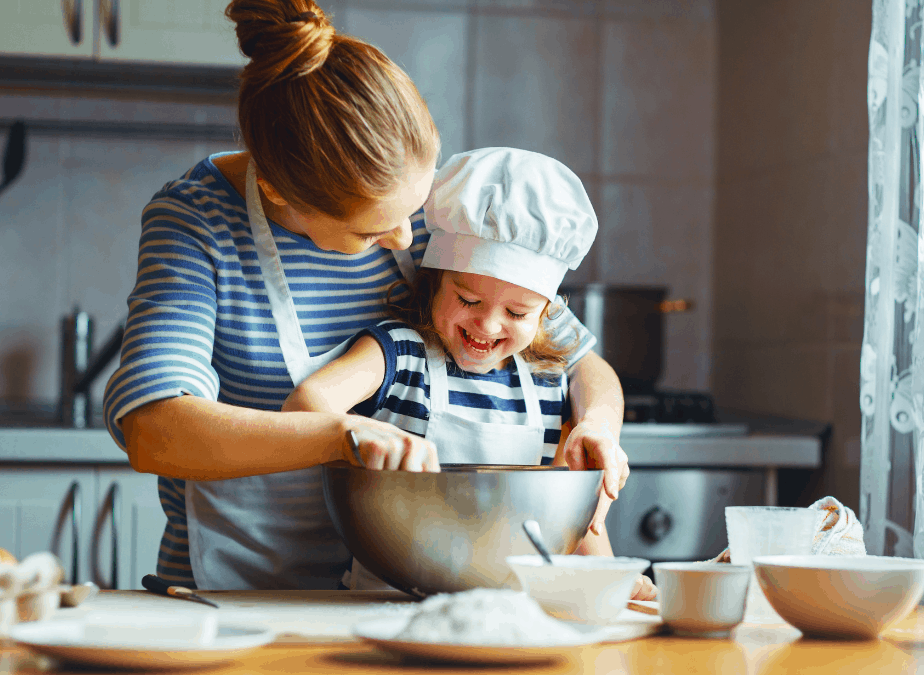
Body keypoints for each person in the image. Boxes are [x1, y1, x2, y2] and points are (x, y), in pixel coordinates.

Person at [101, 0, 629, 592]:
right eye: (370, 230)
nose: (406, 237)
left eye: (414, 209)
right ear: (279, 191)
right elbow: (154, 428)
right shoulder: (199, 223)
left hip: (399, 597)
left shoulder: (434, 212)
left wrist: (599, 426)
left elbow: (580, 362)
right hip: (242, 596)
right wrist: (339, 435)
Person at [283, 148, 656, 600]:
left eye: (517, 311)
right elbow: (306, 404)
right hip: (387, 601)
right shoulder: (400, 353)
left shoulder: (547, 379)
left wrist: (610, 581)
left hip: (514, 613)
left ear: (546, 315)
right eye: (468, 300)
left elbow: (576, 519)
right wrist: (357, 437)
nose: (488, 325)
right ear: (435, 282)